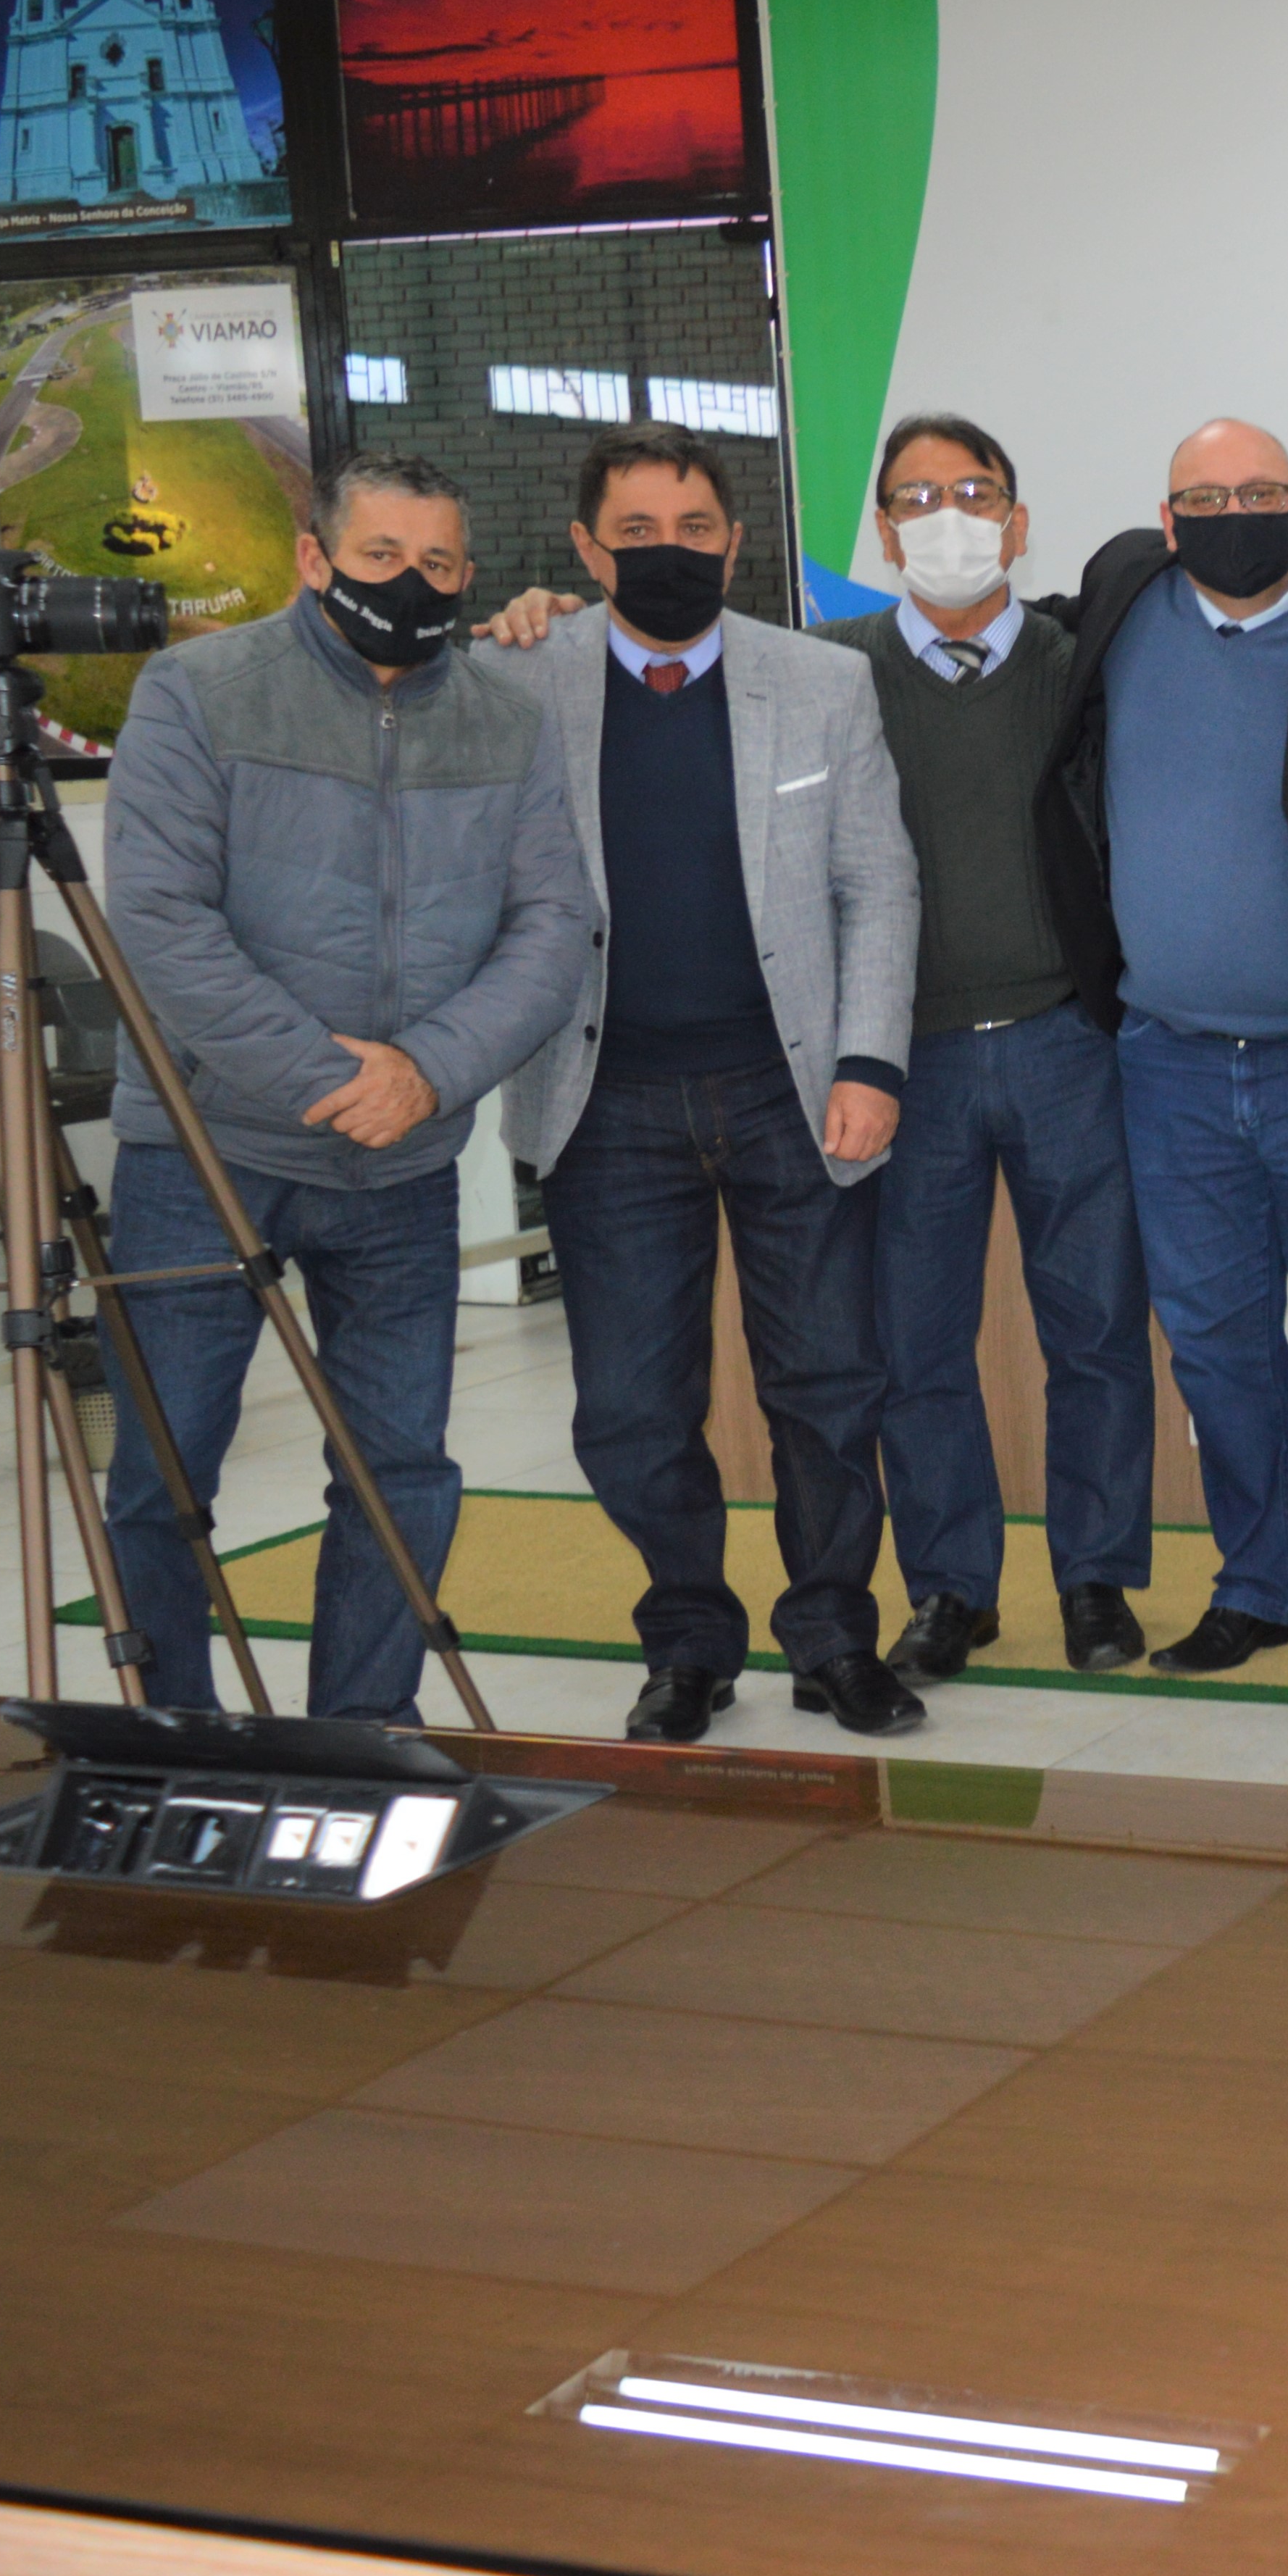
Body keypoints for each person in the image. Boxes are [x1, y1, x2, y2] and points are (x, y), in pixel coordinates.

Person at [91, 451, 587, 1720]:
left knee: (398, 1472)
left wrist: (427, 1074)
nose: (410, 583)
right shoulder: (198, 693)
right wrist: (333, 1080)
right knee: (164, 1476)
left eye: (437, 564)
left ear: (466, 577)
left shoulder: (507, 720)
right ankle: (173, 1732)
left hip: (403, 1167)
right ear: (315, 559)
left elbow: (552, 929)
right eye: (381, 557)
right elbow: (161, 923)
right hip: (204, 1156)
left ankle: (365, 1729)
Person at [501, 420, 926, 1743]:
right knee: (632, 1407)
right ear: (586, 550)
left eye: (694, 530)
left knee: (829, 1388)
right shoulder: (517, 683)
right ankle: (688, 1641)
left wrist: (869, 1061)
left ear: (736, 544)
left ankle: (835, 1639)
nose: (668, 553)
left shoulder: (822, 682)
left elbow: (878, 883)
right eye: (636, 533)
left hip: (791, 1092)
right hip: (604, 1103)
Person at [1037, 420, 1288, 1675]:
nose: (1231, 516)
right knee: (1215, 1342)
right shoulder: (1119, 615)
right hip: (1170, 1061)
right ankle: (1255, 1585)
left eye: (1258, 493)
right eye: (1204, 498)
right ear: (1165, 519)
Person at [818, 414, 1154, 1683]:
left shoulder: (1087, 664)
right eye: (916, 498)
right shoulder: (830, 673)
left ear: (1017, 526)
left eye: (973, 493)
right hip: (906, 1061)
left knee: (1098, 1331)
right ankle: (952, 1589)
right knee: (918, 1345)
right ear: (883, 532)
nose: (946, 519)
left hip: (1071, 1042)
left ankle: (1096, 1579)